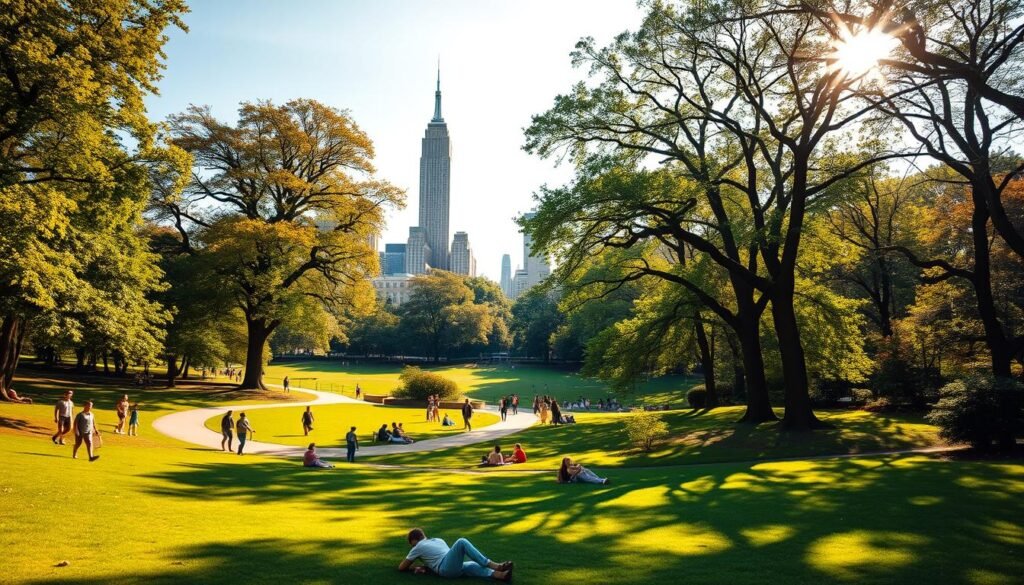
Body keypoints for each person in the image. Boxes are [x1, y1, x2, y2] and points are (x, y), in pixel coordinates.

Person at [399, 528, 513, 581]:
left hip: (447, 568)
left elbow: (402, 567)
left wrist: (419, 566)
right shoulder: (438, 540)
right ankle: (494, 565)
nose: (412, 546)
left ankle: (499, 574)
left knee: (471, 563)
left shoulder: (418, 546)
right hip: (447, 567)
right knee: (461, 543)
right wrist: (423, 567)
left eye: (411, 543)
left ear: (414, 540)